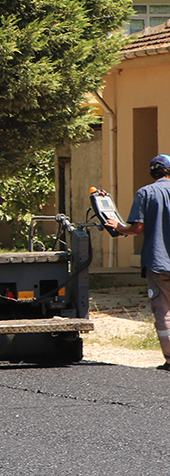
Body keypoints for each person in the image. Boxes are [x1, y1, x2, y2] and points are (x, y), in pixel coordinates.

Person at [106, 153, 170, 369]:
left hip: (158, 262)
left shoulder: (146, 192)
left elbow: (137, 228)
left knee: (164, 311)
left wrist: (118, 227)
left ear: (153, 172)